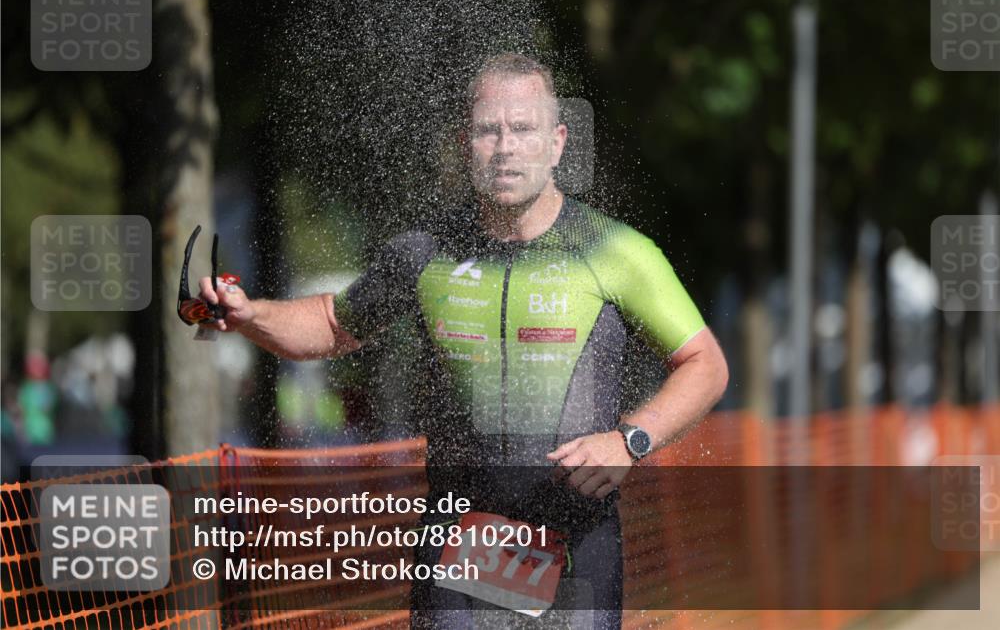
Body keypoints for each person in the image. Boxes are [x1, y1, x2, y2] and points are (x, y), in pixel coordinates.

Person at [199, 53, 729, 629]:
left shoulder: (615, 251)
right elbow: (330, 325)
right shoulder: (425, 253)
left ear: (556, 143)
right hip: (456, 541)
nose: (505, 146)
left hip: (576, 542)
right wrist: (249, 314)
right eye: (487, 130)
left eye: (523, 128)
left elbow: (705, 364)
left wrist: (630, 443)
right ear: (464, 143)